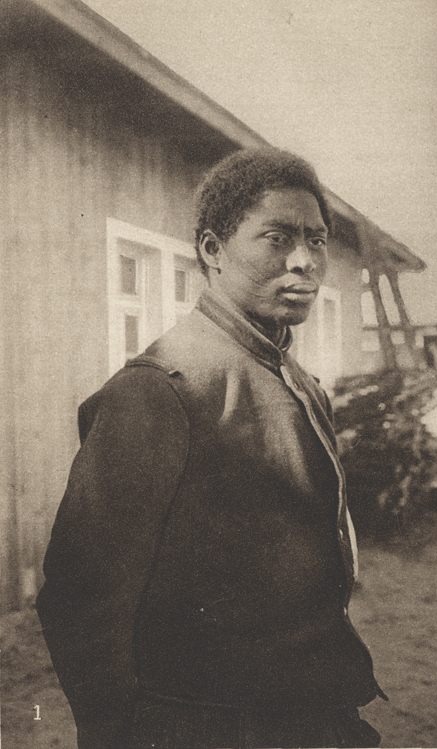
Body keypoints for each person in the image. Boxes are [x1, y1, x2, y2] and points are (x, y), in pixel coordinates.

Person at [37, 148, 386, 749]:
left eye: (317, 239)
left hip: (312, 714)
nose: (304, 261)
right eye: (276, 238)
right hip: (209, 726)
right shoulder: (160, 390)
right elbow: (82, 596)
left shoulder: (295, 379)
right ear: (212, 250)